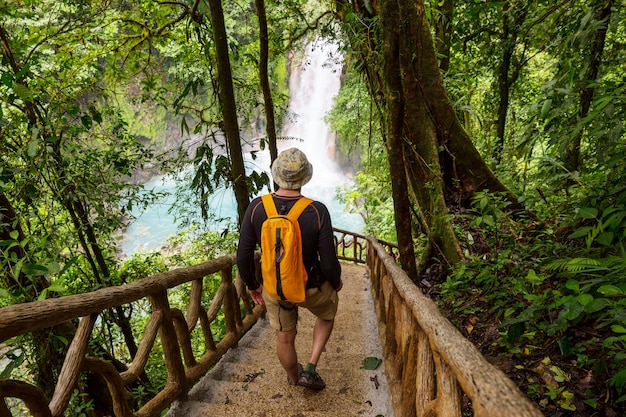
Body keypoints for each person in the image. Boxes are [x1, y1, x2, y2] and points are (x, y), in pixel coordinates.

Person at [236, 147, 343, 390]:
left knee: (285, 337)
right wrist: (335, 283)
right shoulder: (316, 210)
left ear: (276, 175)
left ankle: (295, 379)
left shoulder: (256, 207)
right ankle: (311, 369)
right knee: (327, 315)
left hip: (275, 288)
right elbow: (328, 260)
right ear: (305, 177)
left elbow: (242, 255)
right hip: (311, 287)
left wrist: (253, 286)